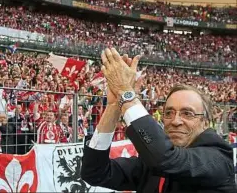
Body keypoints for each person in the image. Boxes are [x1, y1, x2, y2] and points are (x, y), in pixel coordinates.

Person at [81, 48, 236, 193]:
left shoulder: (218, 157)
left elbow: (166, 160)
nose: (175, 121)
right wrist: (114, 107)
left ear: (206, 122)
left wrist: (125, 92)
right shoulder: (149, 163)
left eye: (187, 114)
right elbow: (95, 173)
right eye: (169, 112)